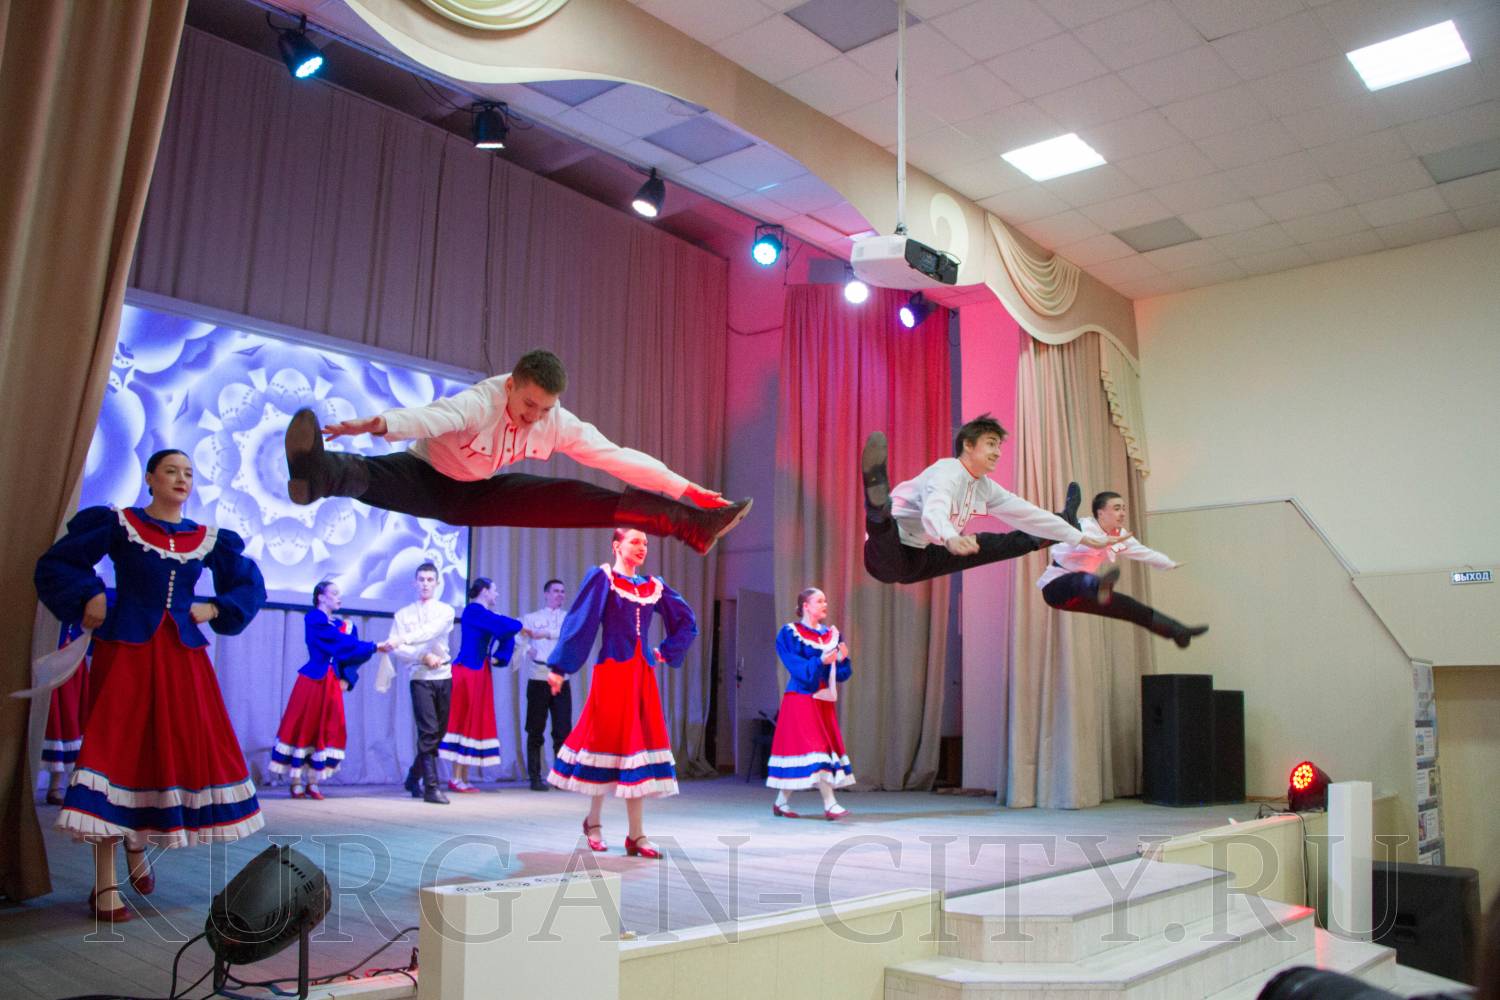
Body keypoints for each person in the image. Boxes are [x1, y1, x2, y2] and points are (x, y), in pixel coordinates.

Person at [33, 448, 266, 921]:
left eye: (189, 473)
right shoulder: (120, 524)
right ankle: (104, 882)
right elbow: (58, 564)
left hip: (182, 660)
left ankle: (135, 845)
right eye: (171, 471)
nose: (182, 479)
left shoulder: (207, 539)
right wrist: (91, 593)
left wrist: (215, 607)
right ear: (150, 478)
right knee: (112, 755)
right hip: (126, 653)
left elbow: (248, 586)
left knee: (162, 755)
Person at [284, 348, 751, 554]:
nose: (534, 416)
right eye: (529, 404)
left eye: (545, 408)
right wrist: (383, 423)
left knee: (577, 498)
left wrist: (685, 488)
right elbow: (434, 416)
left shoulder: (555, 421)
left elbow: (616, 456)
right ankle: (313, 475)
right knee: (369, 475)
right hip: (427, 476)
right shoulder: (482, 402)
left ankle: (694, 526)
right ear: (510, 385)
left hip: (481, 493)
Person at [546, 529, 697, 859]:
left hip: (642, 677)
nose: (642, 547)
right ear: (617, 545)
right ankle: (593, 822)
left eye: (645, 543)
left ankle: (636, 835)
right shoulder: (604, 578)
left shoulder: (652, 586)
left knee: (636, 747)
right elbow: (581, 622)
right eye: (634, 541)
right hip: (613, 673)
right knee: (605, 742)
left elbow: (687, 620)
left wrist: (666, 651)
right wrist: (559, 667)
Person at [861, 415, 1112, 586]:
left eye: (999, 446)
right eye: (991, 444)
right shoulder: (947, 472)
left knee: (991, 545)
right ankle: (877, 506)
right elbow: (934, 509)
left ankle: (1065, 521)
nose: (998, 453)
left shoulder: (985, 487)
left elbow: (1027, 513)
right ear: (968, 445)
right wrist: (950, 537)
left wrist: (1079, 537)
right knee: (886, 539)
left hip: (920, 555)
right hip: (890, 547)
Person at [1037, 491, 1209, 648]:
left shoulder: (1120, 536)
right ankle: (1098, 585)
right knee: (1080, 579)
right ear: (1100, 513)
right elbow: (1058, 546)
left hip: (1084, 595)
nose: (1122, 513)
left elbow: (1143, 552)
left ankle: (1178, 631)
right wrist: (1097, 543)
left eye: (1124, 509)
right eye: (1117, 508)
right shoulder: (1082, 526)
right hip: (1055, 587)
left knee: (1129, 607)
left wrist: (1169, 563)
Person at [269, 580, 392, 798]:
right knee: (304, 725)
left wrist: (346, 677)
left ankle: (313, 781)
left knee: (326, 727)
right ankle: (296, 781)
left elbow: (352, 654)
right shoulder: (314, 618)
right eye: (334, 593)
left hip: (331, 684)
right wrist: (374, 646)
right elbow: (338, 643)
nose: (339, 597)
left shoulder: (344, 626)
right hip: (312, 681)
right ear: (321, 597)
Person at [767, 588, 854, 821]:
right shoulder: (790, 633)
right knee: (817, 749)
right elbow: (795, 667)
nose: (825, 604)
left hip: (822, 700)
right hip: (800, 698)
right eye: (819, 601)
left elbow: (841, 673)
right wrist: (820, 660)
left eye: (825, 600)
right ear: (805, 605)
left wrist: (842, 660)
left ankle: (781, 802)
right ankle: (830, 803)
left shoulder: (831, 635)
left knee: (812, 751)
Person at [439, 577, 526, 792]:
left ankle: (463, 777)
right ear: (485, 591)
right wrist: (520, 625)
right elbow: (508, 626)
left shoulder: (486, 615)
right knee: (465, 720)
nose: (496, 594)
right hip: (468, 671)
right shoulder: (474, 611)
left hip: (478, 671)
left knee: (473, 720)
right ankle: (456, 778)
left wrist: (499, 658)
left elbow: (506, 632)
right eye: (494, 590)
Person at [388, 562, 457, 805]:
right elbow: (397, 648)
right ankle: (431, 788)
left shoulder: (445, 611)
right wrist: (422, 656)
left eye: (430, 580)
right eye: (421, 579)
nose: (425, 584)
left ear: (437, 583)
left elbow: (430, 632)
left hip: (444, 675)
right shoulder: (403, 614)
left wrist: (404, 640)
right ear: (414, 583)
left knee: (438, 733)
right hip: (419, 676)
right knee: (427, 731)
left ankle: (413, 777)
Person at [519, 578, 570, 792]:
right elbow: (517, 636)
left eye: (562, 591)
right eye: (556, 591)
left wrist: (547, 634)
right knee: (535, 729)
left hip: (560, 678)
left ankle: (560, 776)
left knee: (562, 729)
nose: (560, 595)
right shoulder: (532, 618)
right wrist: (526, 649)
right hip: (538, 677)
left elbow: (570, 635)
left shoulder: (568, 618)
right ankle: (534, 776)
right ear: (546, 594)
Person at [41, 616, 94, 805]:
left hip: (71, 648)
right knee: (47, 716)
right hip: (47, 647)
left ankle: (55, 786)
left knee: (66, 715)